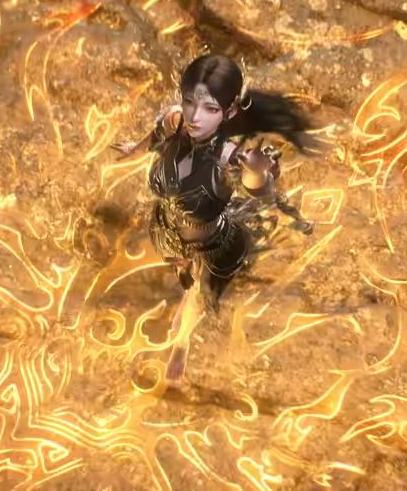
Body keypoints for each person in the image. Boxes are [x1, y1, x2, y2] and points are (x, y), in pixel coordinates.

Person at [110, 54, 322, 379]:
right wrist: (134, 149)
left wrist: (258, 172)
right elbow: (156, 136)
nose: (195, 116)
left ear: (230, 111)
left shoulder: (229, 158)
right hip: (167, 227)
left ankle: (181, 344)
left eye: (209, 109)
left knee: (200, 291)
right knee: (185, 277)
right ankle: (186, 292)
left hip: (211, 243)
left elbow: (258, 186)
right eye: (190, 102)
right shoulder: (176, 121)